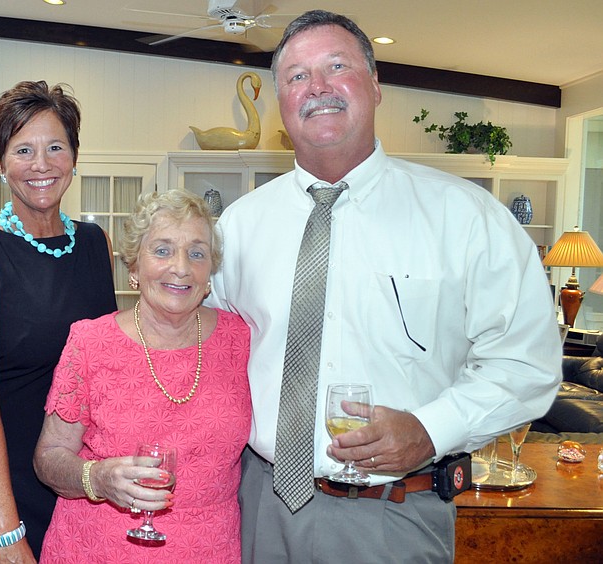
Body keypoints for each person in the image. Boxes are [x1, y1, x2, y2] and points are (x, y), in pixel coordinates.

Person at [206, 10, 563, 563]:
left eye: (337, 66)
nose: (317, 87)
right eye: (297, 76)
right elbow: (203, 354)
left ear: (375, 86)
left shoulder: (467, 218)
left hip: (393, 516)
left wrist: (430, 429)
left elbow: (527, 366)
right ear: (281, 100)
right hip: (256, 507)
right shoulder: (238, 228)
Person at [34, 189, 251, 563]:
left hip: (208, 549)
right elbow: (49, 458)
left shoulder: (240, 338)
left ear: (210, 272)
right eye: (162, 250)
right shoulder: (89, 342)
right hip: (96, 549)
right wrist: (97, 477)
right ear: (133, 267)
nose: (181, 267)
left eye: (196, 253)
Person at [0, 80, 117, 563]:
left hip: (76, 474)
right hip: (5, 483)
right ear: (1, 163)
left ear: (74, 156)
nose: (41, 164)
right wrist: (6, 530)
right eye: (23, 149)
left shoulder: (94, 243)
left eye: (55, 147)